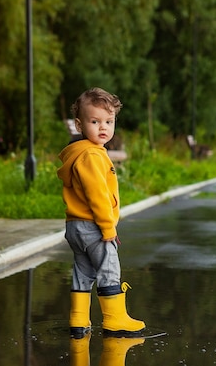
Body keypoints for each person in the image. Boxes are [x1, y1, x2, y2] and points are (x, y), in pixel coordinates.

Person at [57, 87, 145, 338]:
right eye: (95, 121)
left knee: (83, 270)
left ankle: (78, 318)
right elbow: (97, 196)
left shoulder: (77, 154)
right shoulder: (92, 156)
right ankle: (114, 319)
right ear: (79, 124)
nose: (103, 127)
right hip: (94, 226)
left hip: (75, 225)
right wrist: (108, 228)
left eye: (109, 121)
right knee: (109, 267)